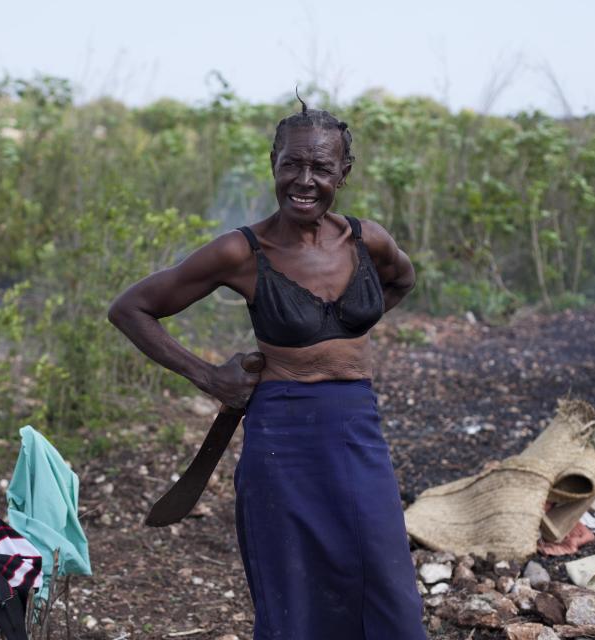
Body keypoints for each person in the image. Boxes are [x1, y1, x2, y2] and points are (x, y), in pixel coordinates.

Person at [108, 98, 427, 640]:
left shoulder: (366, 239)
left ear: (342, 174)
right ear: (273, 163)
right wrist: (208, 376)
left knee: (386, 582)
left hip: (357, 429)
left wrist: (341, 334)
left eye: (321, 168)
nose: (305, 180)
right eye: (292, 165)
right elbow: (131, 309)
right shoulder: (241, 251)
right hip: (282, 437)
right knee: (294, 591)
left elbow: (401, 281)